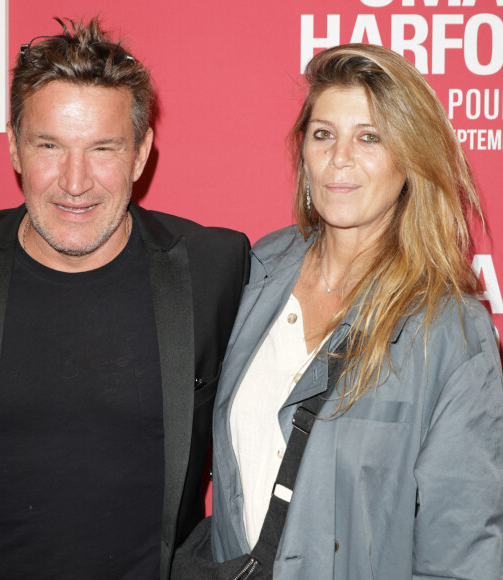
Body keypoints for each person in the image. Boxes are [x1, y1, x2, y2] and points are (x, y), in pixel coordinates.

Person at [0, 17, 249, 580]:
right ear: (14, 147)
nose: (75, 182)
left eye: (103, 148)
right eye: (49, 145)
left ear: (141, 153)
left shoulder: (215, 266)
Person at [209, 44, 503, 579]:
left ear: (411, 158)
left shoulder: (450, 331)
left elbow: (462, 551)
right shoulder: (253, 271)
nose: (339, 158)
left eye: (370, 138)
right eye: (324, 134)